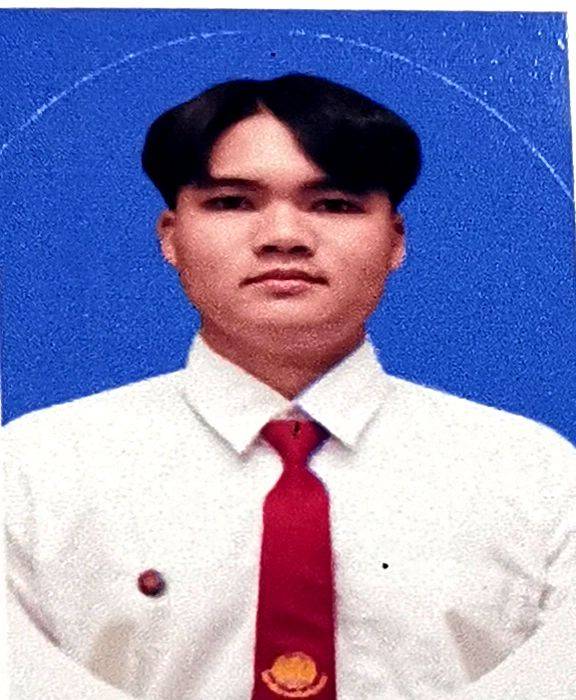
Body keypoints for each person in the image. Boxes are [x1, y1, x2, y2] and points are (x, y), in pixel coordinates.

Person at [3, 72, 576, 700]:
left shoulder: (537, 477)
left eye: (333, 204)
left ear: (396, 241)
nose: (283, 237)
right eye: (232, 203)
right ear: (171, 237)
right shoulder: (33, 472)